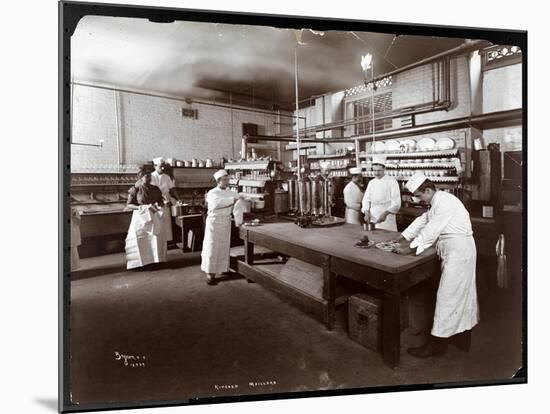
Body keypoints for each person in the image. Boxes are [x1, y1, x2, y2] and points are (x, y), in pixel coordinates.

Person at [395, 172, 479, 358]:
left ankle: (437, 345)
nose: (418, 199)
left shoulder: (445, 202)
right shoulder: (436, 202)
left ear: (428, 190)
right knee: (461, 295)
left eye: (419, 195)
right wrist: (402, 237)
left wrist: (411, 248)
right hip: (455, 252)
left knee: (447, 297)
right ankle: (461, 339)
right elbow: (423, 221)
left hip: (459, 252)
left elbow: (432, 229)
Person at [201, 169, 246, 285]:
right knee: (212, 246)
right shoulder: (212, 193)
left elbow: (239, 200)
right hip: (214, 222)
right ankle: (210, 274)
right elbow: (216, 204)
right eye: (225, 180)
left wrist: (239, 220)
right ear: (218, 181)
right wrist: (234, 199)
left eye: (228, 179)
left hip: (225, 221)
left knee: (224, 246)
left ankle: (222, 269)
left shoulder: (229, 192)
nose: (227, 182)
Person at [125, 166, 167, 270]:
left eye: (150, 176)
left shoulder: (155, 189)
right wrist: (141, 207)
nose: (149, 178)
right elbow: (129, 205)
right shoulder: (135, 189)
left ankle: (157, 261)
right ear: (140, 178)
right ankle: (140, 263)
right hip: (140, 218)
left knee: (155, 238)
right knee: (140, 239)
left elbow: (161, 201)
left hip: (153, 216)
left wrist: (159, 205)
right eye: (146, 176)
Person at [361, 155, 401, 231]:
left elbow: (396, 203)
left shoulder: (392, 181)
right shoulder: (371, 182)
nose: (376, 173)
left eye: (379, 170)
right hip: (373, 217)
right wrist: (366, 213)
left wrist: (385, 214)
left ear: (384, 169)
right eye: (374, 170)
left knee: (387, 239)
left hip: (387, 217)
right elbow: (365, 200)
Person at [151, 157, 179, 247]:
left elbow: (172, 189)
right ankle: (159, 243)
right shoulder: (151, 177)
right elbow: (155, 192)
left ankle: (167, 242)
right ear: (155, 166)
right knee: (158, 223)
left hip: (166, 201)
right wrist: (163, 201)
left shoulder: (166, 177)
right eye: (160, 166)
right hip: (156, 202)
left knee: (167, 222)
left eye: (163, 166)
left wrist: (178, 199)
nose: (162, 168)